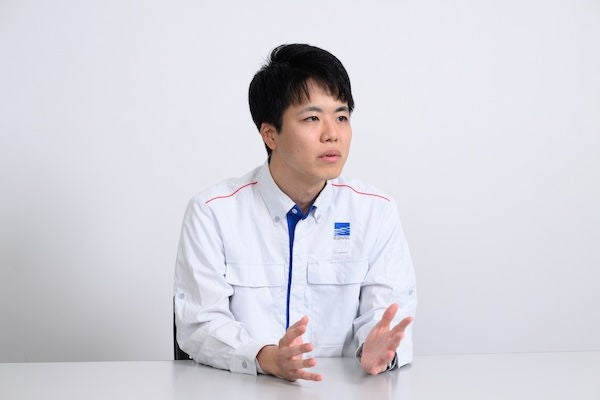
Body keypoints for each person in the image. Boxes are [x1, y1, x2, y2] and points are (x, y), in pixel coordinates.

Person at [174, 43, 417, 381]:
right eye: (312, 118)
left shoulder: (375, 211)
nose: (332, 134)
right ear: (270, 134)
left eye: (342, 117)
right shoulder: (213, 213)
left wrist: (377, 350)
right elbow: (199, 324)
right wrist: (266, 357)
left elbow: (386, 313)